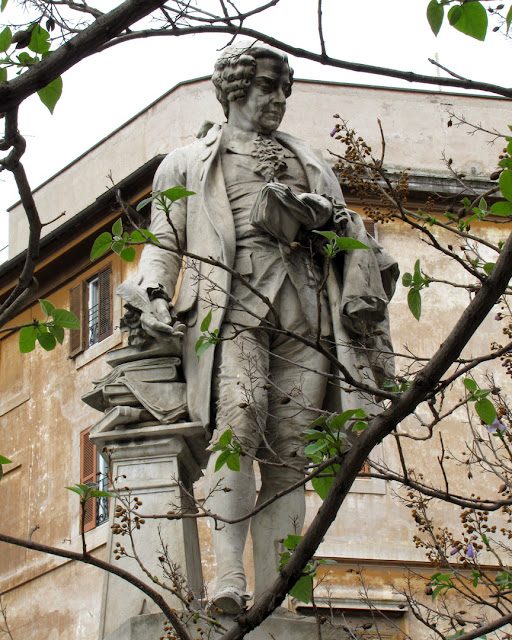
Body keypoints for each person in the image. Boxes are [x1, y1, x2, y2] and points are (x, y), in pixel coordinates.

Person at [130, 40, 398, 614]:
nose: (278, 99)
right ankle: (229, 577)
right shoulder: (186, 163)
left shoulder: (313, 162)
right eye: (267, 87)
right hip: (230, 309)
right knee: (239, 423)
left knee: (291, 452)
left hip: (307, 311)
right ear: (235, 89)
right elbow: (164, 241)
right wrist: (154, 291)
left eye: (284, 90)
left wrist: (325, 218)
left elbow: (347, 243)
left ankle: (274, 587)